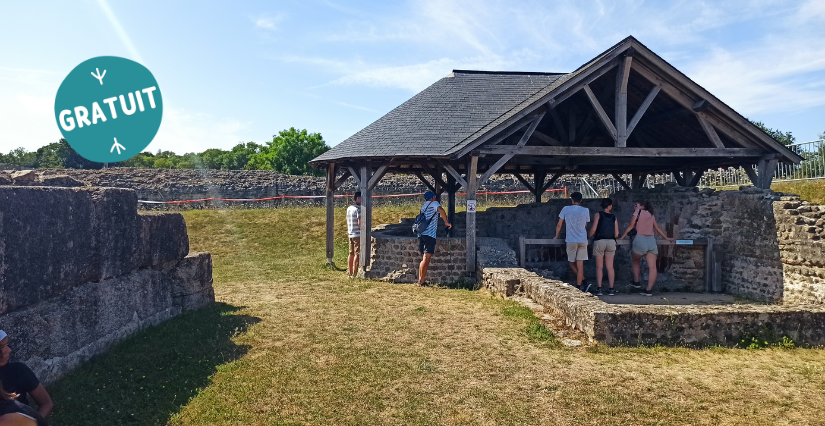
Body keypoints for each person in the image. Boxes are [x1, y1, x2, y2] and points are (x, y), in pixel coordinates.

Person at [619, 200, 675, 296]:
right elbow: (657, 228)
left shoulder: (637, 212)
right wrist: (666, 238)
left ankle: (636, 282)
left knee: (635, 260)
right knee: (653, 267)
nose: (635, 207)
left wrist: (622, 237)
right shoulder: (651, 214)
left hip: (640, 240)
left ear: (642, 206)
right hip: (651, 241)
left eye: (636, 205)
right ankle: (648, 290)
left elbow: (631, 226)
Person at [0, 331, 52, 419]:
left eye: (7, 345)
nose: (9, 350)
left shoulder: (18, 370)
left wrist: (34, 422)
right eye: (1, 347)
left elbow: (46, 403)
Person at [554, 192, 591, 292]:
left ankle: (584, 282)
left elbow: (559, 224)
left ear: (572, 200)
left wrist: (556, 236)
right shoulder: (586, 210)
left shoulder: (566, 209)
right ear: (581, 200)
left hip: (571, 240)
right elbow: (585, 225)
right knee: (580, 264)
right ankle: (581, 285)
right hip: (582, 239)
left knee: (571, 263)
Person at [417, 191, 451, 286]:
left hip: (421, 235)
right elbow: (441, 210)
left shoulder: (424, 206)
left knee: (423, 259)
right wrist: (446, 222)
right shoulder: (434, 203)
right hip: (429, 235)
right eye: (434, 196)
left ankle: (421, 280)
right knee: (426, 259)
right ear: (432, 197)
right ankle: (421, 281)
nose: (435, 198)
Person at [588, 198, 619, 296]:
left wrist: (588, 236)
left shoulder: (598, 214)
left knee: (599, 267)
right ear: (610, 206)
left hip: (600, 241)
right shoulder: (614, 217)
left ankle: (599, 289)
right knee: (610, 267)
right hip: (611, 242)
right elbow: (616, 234)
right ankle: (611, 289)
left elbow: (593, 229)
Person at [346, 192, 362, 278]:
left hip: (350, 233)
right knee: (357, 254)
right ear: (358, 198)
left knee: (351, 253)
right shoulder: (359, 209)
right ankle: (355, 273)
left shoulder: (349, 208)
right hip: (358, 234)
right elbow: (360, 223)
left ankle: (350, 272)